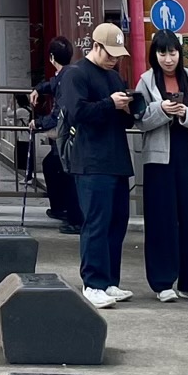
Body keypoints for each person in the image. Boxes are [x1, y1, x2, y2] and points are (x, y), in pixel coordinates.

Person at [56, 21, 138, 310]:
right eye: (110, 53)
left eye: (118, 54)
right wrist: (109, 104)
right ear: (96, 46)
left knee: (117, 223)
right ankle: (92, 283)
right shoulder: (76, 74)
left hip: (117, 160)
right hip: (90, 161)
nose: (114, 59)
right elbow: (77, 113)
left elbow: (126, 122)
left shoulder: (115, 78)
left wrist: (128, 108)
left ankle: (110, 281)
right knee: (96, 223)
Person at [135, 29, 188, 302]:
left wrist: (185, 113)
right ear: (154, 55)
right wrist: (162, 110)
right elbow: (140, 120)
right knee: (161, 219)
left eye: (172, 53)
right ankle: (162, 283)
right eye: (162, 53)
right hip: (158, 160)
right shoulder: (145, 82)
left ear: (179, 53)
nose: (168, 59)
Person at [30, 36, 82, 234]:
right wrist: (38, 89)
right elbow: (52, 84)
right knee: (52, 165)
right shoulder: (67, 73)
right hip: (71, 134)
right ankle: (61, 209)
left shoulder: (66, 77)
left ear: (51, 57)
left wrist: (38, 123)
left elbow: (58, 114)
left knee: (63, 171)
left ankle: (70, 216)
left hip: (70, 136)